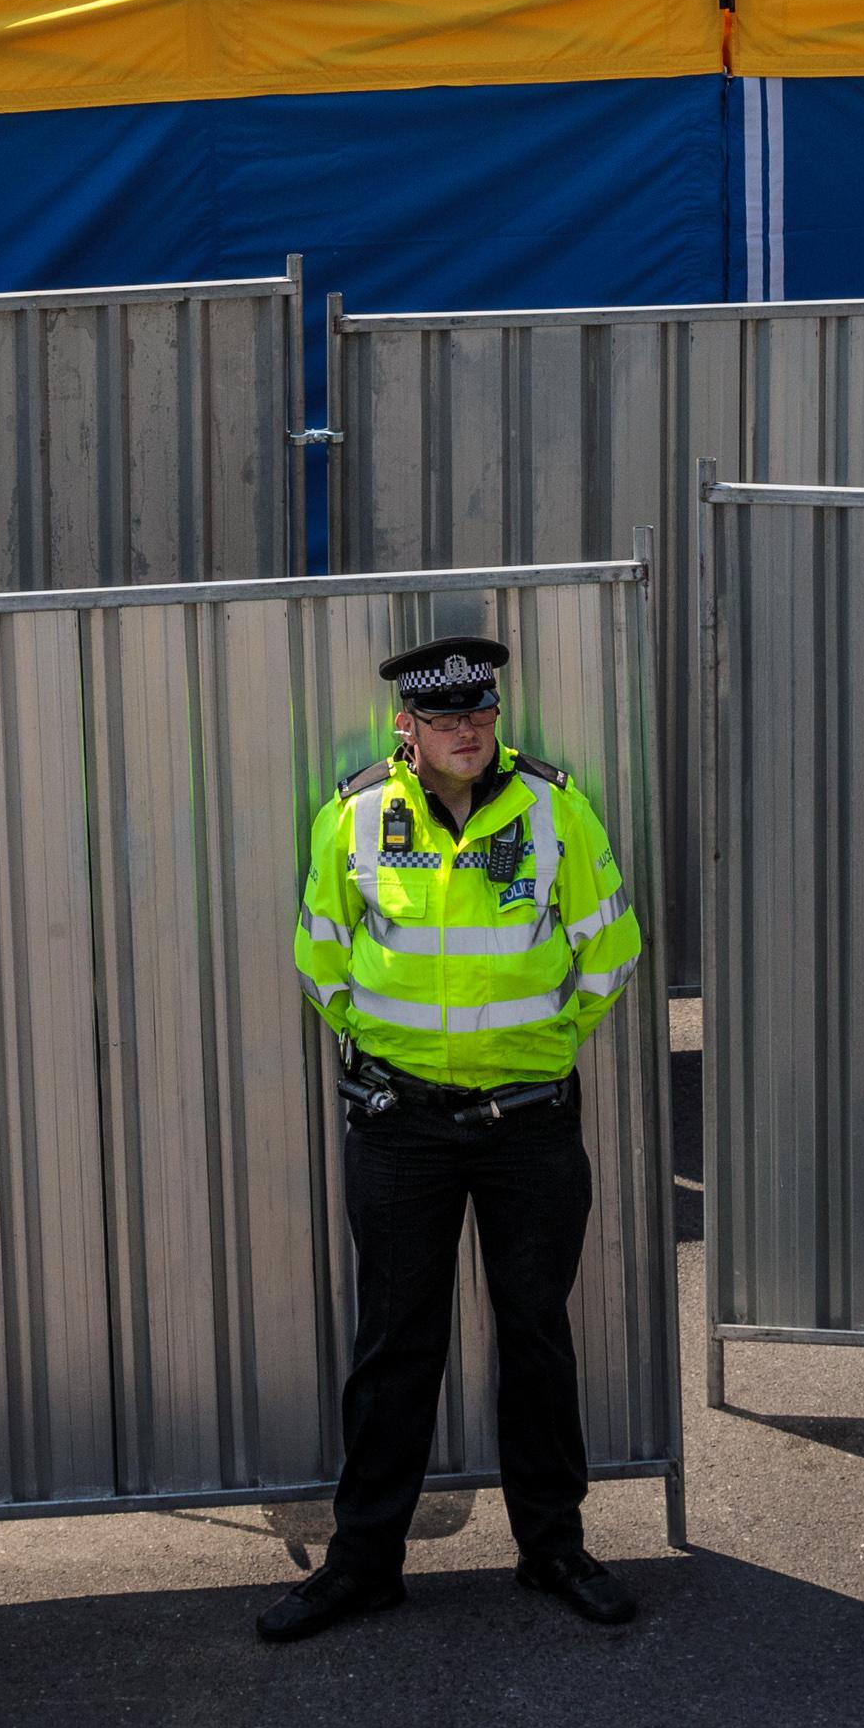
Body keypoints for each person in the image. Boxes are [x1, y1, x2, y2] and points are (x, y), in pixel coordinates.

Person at [257, 633, 644, 1642]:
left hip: (529, 1124)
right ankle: (364, 1563)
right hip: (402, 1129)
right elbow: (320, 955)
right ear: (407, 727)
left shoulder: (555, 808)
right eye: (444, 717)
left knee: (536, 1336)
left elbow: (611, 947)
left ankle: (552, 1546)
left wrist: (544, 1044)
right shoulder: (355, 817)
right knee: (394, 1346)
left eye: (480, 712)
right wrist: (394, 1054)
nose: (466, 730)